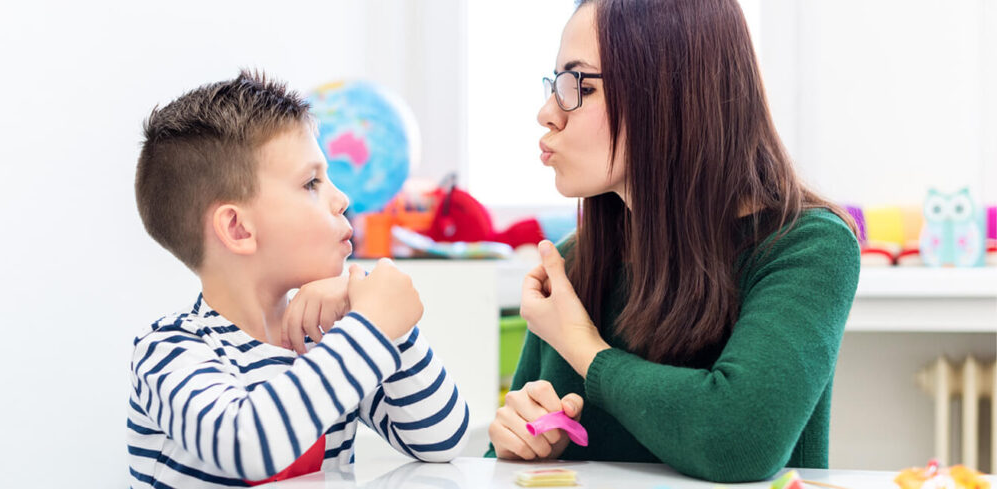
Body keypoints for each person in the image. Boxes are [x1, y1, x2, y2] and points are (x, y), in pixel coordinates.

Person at [486, 0, 860, 483]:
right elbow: (513, 457)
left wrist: (583, 347)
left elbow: (737, 441)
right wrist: (517, 443)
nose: (546, 113)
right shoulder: (575, 259)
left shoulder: (807, 247)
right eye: (553, 83)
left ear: (670, 91)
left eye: (577, 85)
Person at [129, 70, 468, 488]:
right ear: (237, 228)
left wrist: (396, 332)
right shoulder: (169, 350)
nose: (342, 199)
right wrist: (373, 326)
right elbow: (245, 444)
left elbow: (442, 439)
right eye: (311, 183)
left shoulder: (328, 339)